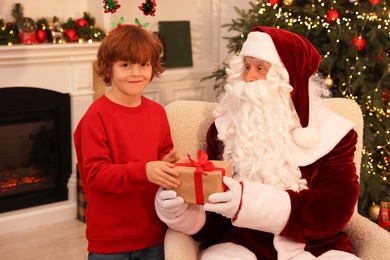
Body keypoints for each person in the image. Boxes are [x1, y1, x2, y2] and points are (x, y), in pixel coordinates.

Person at [155, 26, 361, 259]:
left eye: (260, 68)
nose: (248, 77)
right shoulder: (224, 128)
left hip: (315, 245)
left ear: (287, 78)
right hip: (243, 242)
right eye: (246, 67)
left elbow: (335, 208)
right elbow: (213, 212)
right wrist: (182, 210)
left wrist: (246, 202)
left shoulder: (335, 132)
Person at [74, 24, 181, 260]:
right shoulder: (96, 116)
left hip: (154, 233)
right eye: (125, 65)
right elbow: (96, 174)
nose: (136, 73)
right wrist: (145, 170)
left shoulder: (157, 112)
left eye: (144, 64)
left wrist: (165, 163)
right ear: (108, 68)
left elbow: (162, 153)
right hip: (110, 240)